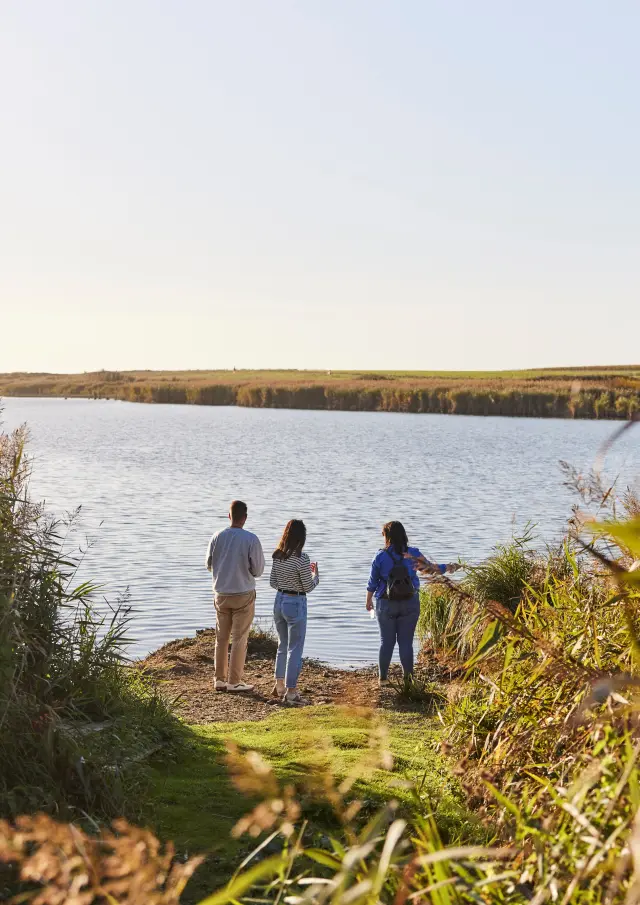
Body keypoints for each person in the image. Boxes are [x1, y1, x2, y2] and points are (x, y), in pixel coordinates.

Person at [366, 521, 458, 686]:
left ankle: (383, 679)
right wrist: (449, 567)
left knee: (386, 642)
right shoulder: (412, 553)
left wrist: (368, 601)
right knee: (406, 643)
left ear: (387, 537)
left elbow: (372, 582)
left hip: (385, 603)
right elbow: (430, 569)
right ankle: (408, 680)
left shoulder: (380, 556)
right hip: (410, 602)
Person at [205, 500, 265, 692]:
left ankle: (219, 679)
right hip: (243, 594)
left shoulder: (216, 537)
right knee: (239, 638)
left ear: (229, 516)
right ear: (245, 518)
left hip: (221, 594)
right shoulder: (251, 539)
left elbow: (208, 564)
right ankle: (234, 681)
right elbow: (258, 570)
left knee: (221, 638)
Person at [270, 519, 319, 705]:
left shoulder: (277, 555)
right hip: (295, 602)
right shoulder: (302, 558)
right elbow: (307, 586)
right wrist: (316, 576)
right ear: (301, 538)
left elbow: (273, 583)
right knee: (295, 648)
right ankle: (291, 691)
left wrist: (286, 583)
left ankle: (279, 684)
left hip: (279, 599)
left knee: (282, 644)